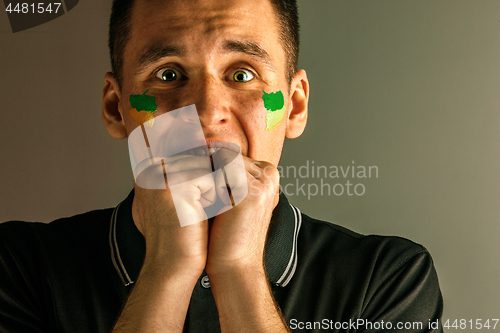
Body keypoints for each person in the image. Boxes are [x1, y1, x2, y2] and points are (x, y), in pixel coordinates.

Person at [0, 0, 444, 332]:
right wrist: (167, 268)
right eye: (169, 74)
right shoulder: (19, 268)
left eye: (243, 74)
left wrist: (239, 270)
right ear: (118, 109)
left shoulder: (388, 279)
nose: (208, 112)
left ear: (293, 106)